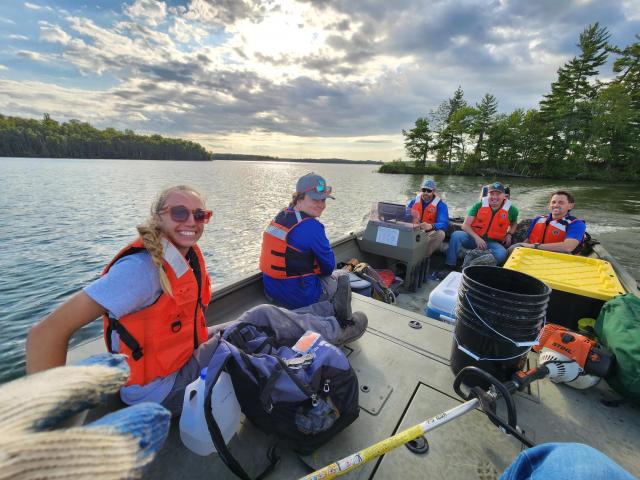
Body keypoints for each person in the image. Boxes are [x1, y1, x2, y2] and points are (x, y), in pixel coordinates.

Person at [26, 185, 219, 415]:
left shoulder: (185, 258)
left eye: (199, 215)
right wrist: (47, 417)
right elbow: (45, 334)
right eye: (179, 212)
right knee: (249, 336)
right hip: (159, 392)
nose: (191, 221)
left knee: (260, 318)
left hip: (181, 360)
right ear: (158, 218)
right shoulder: (140, 270)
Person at [260, 173, 355, 316]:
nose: (321, 205)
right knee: (343, 276)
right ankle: (343, 322)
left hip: (271, 292)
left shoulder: (281, 216)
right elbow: (329, 268)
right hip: (301, 300)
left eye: (323, 200)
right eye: (315, 199)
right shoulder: (312, 227)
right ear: (299, 199)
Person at [443, 181, 518, 273]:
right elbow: (465, 226)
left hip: (492, 243)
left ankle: (470, 268)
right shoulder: (478, 205)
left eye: (498, 194)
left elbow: (514, 223)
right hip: (473, 239)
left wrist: (509, 234)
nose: (494, 197)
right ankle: (449, 266)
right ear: (487, 195)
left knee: (502, 254)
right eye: (492, 194)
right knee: (456, 235)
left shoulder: (512, 210)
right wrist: (477, 238)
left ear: (504, 196)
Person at [508, 190, 586, 255]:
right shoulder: (538, 219)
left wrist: (535, 247)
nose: (556, 205)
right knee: (513, 248)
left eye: (561, 202)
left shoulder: (576, 224)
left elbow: (568, 247)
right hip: (532, 254)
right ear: (549, 205)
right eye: (553, 202)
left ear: (570, 206)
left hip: (557, 259)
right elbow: (528, 241)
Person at [406, 178, 449, 259]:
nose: (425, 192)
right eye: (424, 190)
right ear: (421, 190)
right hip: (412, 230)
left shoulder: (441, 205)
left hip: (428, 233)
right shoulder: (413, 202)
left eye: (429, 191)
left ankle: (422, 257)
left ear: (433, 191)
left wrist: (431, 226)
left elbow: (444, 223)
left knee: (441, 234)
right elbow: (405, 215)